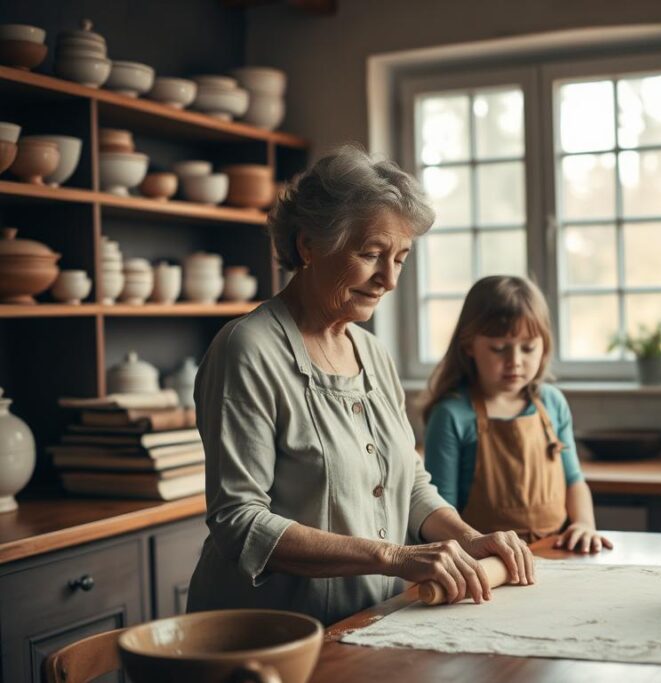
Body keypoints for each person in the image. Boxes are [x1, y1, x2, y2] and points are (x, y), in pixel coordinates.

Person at [187, 146, 534, 625]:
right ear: (309, 245)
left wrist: (468, 537)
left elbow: (410, 484)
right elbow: (240, 522)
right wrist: (392, 557)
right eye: (371, 254)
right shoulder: (247, 350)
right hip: (268, 634)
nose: (388, 279)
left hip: (370, 619)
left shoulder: (371, 353)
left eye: (401, 259)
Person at [421, 275, 614, 553]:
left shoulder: (552, 403)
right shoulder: (451, 415)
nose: (515, 361)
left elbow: (573, 480)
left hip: (556, 551)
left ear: (544, 345)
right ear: (468, 346)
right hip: (485, 560)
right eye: (499, 348)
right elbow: (440, 509)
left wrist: (584, 524)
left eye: (528, 348)